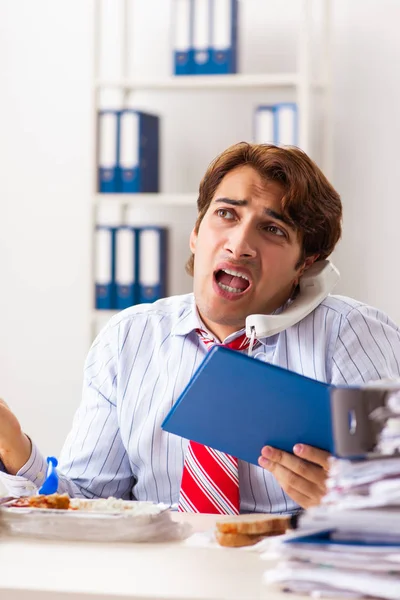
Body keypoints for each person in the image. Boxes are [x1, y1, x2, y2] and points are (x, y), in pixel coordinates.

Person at [1, 142, 400, 514]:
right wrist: (16, 447)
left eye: (273, 229)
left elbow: (389, 502)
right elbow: (90, 503)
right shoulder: (128, 338)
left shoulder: (352, 335)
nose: (239, 244)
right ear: (196, 234)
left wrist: (354, 500)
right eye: (227, 214)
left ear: (305, 265)